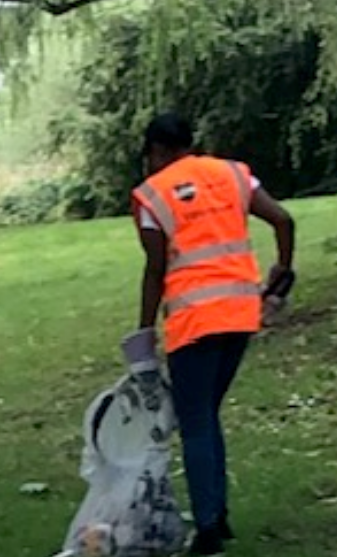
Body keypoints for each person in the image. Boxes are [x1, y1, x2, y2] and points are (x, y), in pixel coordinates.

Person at [131, 112, 296, 555]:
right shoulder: (233, 174)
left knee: (196, 420)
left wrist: (144, 331)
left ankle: (207, 529)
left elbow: (155, 269)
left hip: (194, 320)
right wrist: (281, 276)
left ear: (159, 151)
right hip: (241, 313)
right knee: (205, 413)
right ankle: (217, 515)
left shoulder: (152, 195)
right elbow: (283, 220)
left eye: (148, 156)